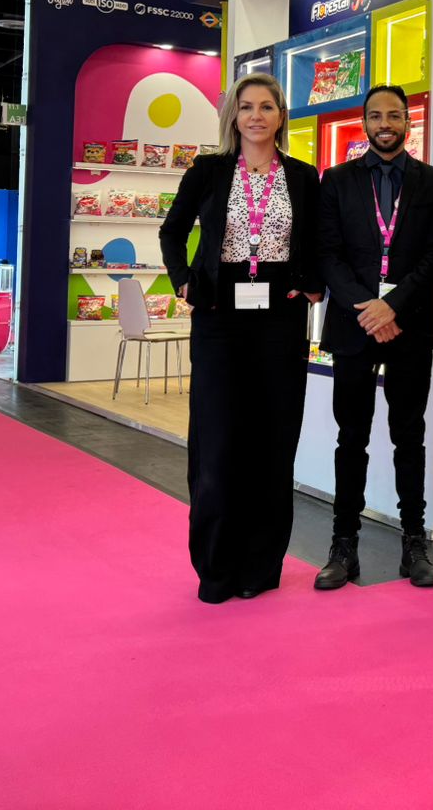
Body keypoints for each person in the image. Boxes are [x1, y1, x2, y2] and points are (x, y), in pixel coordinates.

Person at [160, 73, 322, 604]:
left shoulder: (302, 176)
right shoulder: (207, 171)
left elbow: (319, 240)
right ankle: (216, 565)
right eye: (246, 106)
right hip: (218, 314)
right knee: (218, 439)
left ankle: (260, 564)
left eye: (267, 106)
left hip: (280, 316)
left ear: (281, 116)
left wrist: (312, 283)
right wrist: (183, 280)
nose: (256, 115)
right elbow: (172, 231)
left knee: (273, 439)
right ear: (233, 115)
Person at [316, 84, 433, 590]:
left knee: (409, 435)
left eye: (394, 115)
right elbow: (328, 254)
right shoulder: (337, 180)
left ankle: (413, 543)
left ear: (408, 122)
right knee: (350, 437)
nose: (385, 124)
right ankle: (343, 545)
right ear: (365, 123)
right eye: (375, 116)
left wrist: (391, 306)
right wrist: (368, 309)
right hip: (354, 326)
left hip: (409, 325)